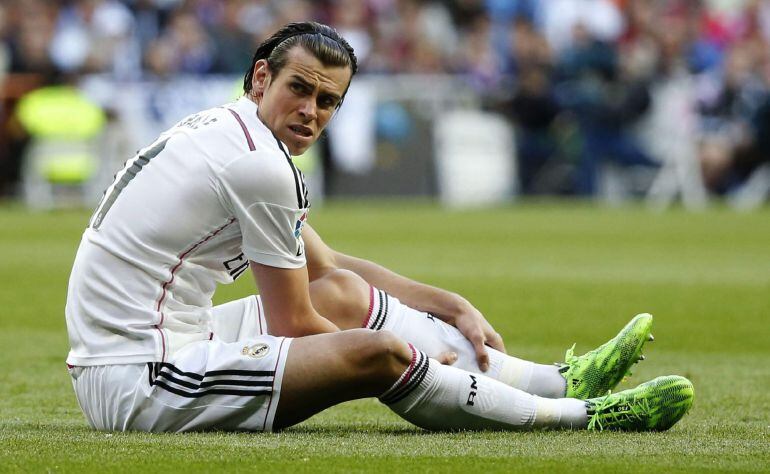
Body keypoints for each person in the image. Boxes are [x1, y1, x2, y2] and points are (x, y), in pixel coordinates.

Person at [65, 21, 693, 433]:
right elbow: (295, 329)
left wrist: (452, 305)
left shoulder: (237, 131)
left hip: (160, 341)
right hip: (139, 378)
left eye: (328, 100)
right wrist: (429, 364)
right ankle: (580, 414)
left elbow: (329, 270)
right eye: (299, 89)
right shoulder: (257, 166)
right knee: (377, 353)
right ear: (261, 77)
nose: (311, 112)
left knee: (338, 297)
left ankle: (555, 377)